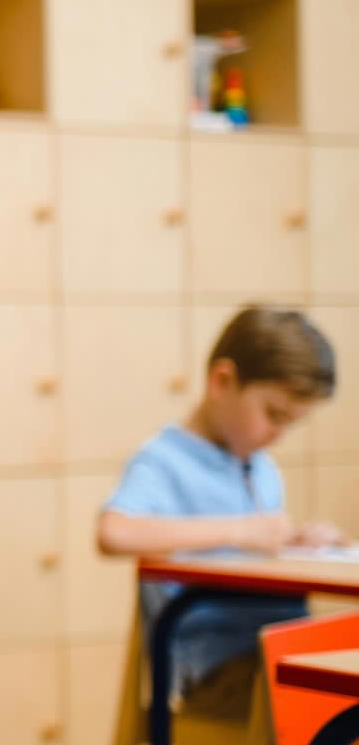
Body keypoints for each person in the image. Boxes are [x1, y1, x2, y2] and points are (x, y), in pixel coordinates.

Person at [98, 305, 344, 717]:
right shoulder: (164, 461)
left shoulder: (260, 466)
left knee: (340, 690)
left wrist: (294, 542)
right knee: (331, 707)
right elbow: (114, 533)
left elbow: (253, 550)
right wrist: (240, 531)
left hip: (283, 647)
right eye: (273, 415)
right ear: (222, 381)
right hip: (219, 662)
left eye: (291, 424)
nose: (277, 435)